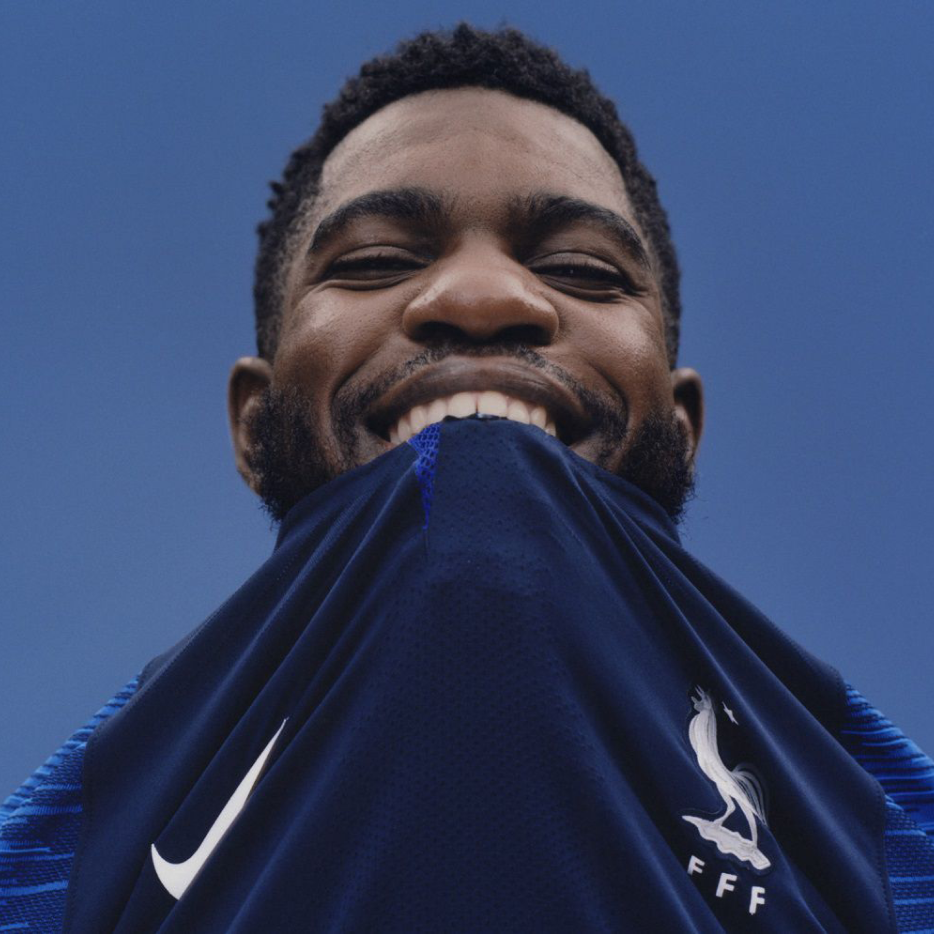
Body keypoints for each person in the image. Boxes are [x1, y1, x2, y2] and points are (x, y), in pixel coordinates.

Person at [1, 24, 932, 933]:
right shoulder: (75, 857)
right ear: (255, 423)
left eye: (580, 269)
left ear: (681, 431)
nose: (482, 299)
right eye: (375, 260)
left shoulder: (875, 843)